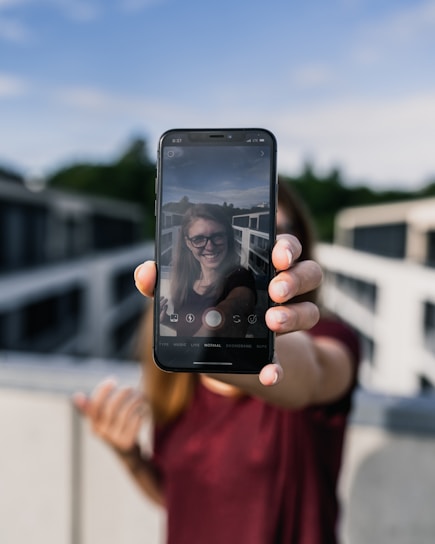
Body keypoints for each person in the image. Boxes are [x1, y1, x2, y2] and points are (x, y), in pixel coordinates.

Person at [74, 179, 360, 544]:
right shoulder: (173, 360)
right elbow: (179, 497)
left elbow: (314, 371)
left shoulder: (332, 337)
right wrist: (132, 458)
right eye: (199, 238)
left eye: (279, 234)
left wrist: (236, 336)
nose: (266, 247)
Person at [159, 203, 256, 338]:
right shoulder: (186, 282)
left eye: (217, 236)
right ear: (187, 243)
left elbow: (235, 305)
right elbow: (188, 331)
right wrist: (167, 320)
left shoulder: (240, 277)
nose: (209, 247)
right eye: (198, 239)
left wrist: (185, 352)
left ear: (227, 237)